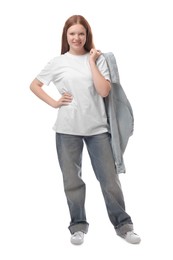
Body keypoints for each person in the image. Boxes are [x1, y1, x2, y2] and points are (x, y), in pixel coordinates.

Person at [30, 14, 141, 245]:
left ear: (87, 35)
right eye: (72, 34)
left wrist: (91, 62)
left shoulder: (98, 59)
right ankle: (77, 226)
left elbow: (104, 91)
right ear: (66, 36)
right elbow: (35, 85)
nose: (77, 38)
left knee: (109, 180)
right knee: (72, 180)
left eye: (81, 33)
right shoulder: (58, 62)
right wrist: (54, 102)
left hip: (98, 129)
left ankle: (123, 225)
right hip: (67, 129)